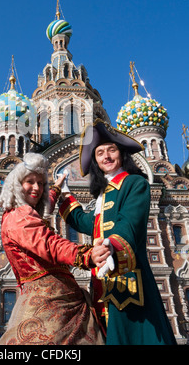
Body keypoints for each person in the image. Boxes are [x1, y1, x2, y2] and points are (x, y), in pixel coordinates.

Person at [59, 119, 177, 345]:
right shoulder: (104, 194)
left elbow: (129, 223)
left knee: (137, 334)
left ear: (122, 154)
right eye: (100, 152)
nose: (106, 156)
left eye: (111, 150)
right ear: (95, 161)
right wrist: (65, 194)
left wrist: (112, 246)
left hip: (130, 276)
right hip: (103, 282)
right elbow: (88, 224)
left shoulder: (134, 183)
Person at [0, 152, 105, 346]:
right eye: (30, 182)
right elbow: (48, 244)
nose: (37, 188)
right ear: (17, 184)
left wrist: (55, 188)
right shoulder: (18, 218)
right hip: (48, 306)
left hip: (62, 301)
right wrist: (86, 255)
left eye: (41, 183)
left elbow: (43, 209)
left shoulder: (26, 214)